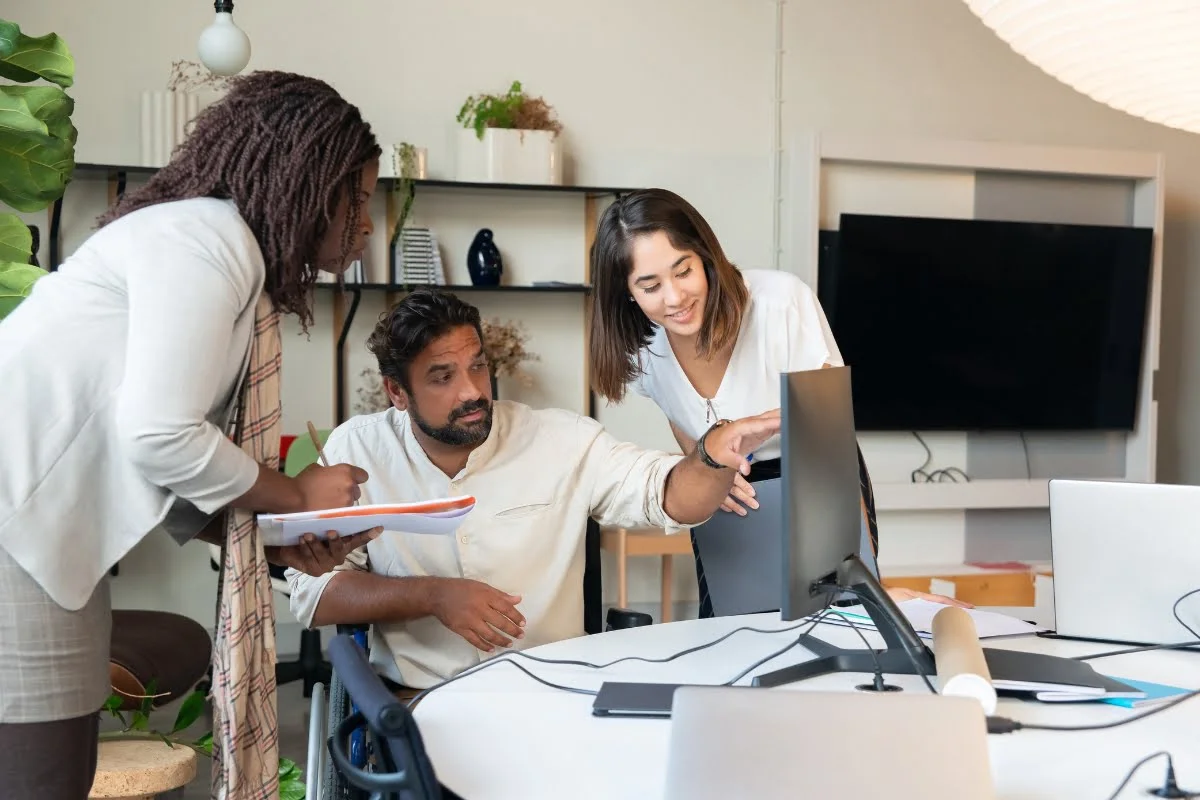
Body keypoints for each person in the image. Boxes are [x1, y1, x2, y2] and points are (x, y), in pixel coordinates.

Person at [0, 71, 384, 799]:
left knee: (56, 775)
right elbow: (160, 435)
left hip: (37, 536)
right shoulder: (208, 240)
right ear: (302, 180)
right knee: (41, 781)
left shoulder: (207, 245)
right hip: (15, 531)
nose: (365, 223)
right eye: (355, 197)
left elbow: (162, 456)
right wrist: (294, 490)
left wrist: (276, 533)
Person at [285, 289, 781, 694]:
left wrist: (713, 453)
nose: (471, 391)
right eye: (442, 377)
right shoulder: (358, 449)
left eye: (478, 366)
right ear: (397, 392)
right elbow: (316, 595)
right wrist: (432, 595)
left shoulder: (560, 439)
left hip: (553, 694)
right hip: (419, 701)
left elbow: (668, 494)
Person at [587, 188, 966, 617]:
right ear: (626, 292)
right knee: (729, 627)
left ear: (704, 255)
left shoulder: (779, 302)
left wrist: (866, 577)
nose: (674, 298)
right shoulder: (643, 349)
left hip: (813, 474)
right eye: (650, 285)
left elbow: (828, 436)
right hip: (728, 491)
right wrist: (705, 468)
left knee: (840, 616)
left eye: (684, 271)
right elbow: (681, 417)